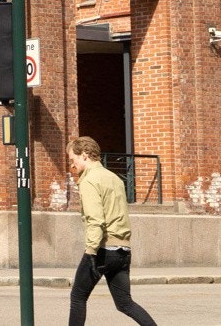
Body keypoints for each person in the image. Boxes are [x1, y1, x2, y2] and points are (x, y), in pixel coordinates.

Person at [67, 135, 156, 325]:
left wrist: (91, 252)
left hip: (102, 249)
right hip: (123, 250)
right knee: (125, 303)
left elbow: (96, 219)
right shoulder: (115, 178)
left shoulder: (89, 180)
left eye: (73, 159)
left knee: (78, 297)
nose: (72, 165)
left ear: (84, 155)